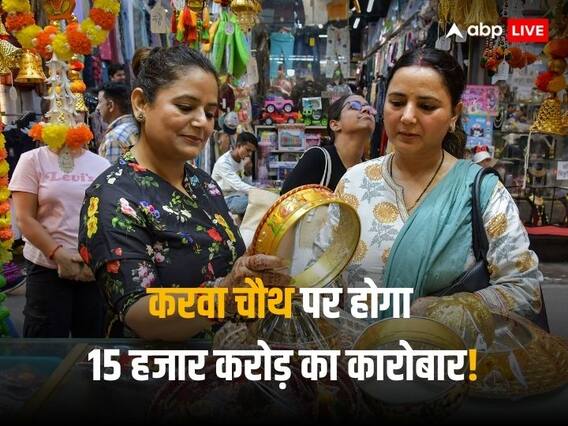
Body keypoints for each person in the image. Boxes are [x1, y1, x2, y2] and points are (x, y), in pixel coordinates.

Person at [78, 46, 288, 340]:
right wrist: (224, 296)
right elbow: (139, 312)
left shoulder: (202, 183)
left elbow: (225, 261)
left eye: (210, 113)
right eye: (186, 107)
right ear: (141, 104)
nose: (202, 121)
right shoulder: (112, 197)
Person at [327, 48, 544, 323]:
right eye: (397, 102)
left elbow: (524, 288)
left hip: (449, 350)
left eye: (427, 106)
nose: (407, 117)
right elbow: (325, 278)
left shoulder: (482, 192)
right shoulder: (354, 184)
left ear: (454, 114)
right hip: (359, 349)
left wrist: (452, 310)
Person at [9, 129, 110, 337]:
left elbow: (106, 218)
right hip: (45, 267)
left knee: (92, 340)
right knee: (45, 340)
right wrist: (58, 254)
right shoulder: (32, 160)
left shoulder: (101, 164)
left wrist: (94, 258)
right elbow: (24, 218)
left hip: (90, 269)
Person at [280, 94, 376, 194]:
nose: (366, 110)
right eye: (354, 106)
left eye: (369, 108)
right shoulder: (317, 158)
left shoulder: (369, 170)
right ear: (335, 125)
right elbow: (287, 199)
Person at [211, 131, 258, 216]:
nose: (250, 154)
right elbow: (238, 185)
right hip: (223, 199)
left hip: (237, 196)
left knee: (256, 200)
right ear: (239, 145)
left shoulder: (242, 160)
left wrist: (247, 172)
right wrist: (259, 192)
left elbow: (246, 184)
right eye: (248, 150)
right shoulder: (224, 162)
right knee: (256, 202)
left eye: (252, 151)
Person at [97, 82, 139, 164]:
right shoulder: (139, 127)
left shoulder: (114, 138)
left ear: (110, 105)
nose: (97, 108)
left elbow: (114, 171)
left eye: (99, 102)